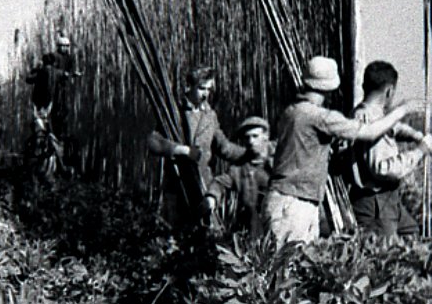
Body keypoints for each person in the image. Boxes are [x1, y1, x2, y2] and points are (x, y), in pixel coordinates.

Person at [264, 56, 424, 245]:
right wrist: (403, 110)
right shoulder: (320, 117)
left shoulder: (292, 112)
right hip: (295, 203)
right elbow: (370, 131)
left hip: (285, 198)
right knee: (288, 264)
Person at [146, 66, 252, 232]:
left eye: (209, 89)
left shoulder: (210, 115)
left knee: (205, 238)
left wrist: (249, 154)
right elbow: (153, 142)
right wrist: (184, 150)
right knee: (176, 238)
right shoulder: (174, 112)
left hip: (202, 186)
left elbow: (223, 147)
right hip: (177, 186)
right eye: (202, 88)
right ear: (189, 86)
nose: (206, 94)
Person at [347, 61, 432, 237]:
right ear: (389, 91)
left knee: (411, 232)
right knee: (384, 255)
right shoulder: (368, 117)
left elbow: (391, 127)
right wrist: (420, 151)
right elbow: (383, 169)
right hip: (375, 202)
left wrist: (414, 135)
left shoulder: (365, 113)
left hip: (384, 200)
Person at [211, 116, 275, 239]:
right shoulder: (239, 168)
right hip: (254, 227)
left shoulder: (281, 158)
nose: (251, 141)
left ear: (266, 137)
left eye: (255, 136)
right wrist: (211, 196)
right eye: (247, 137)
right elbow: (221, 182)